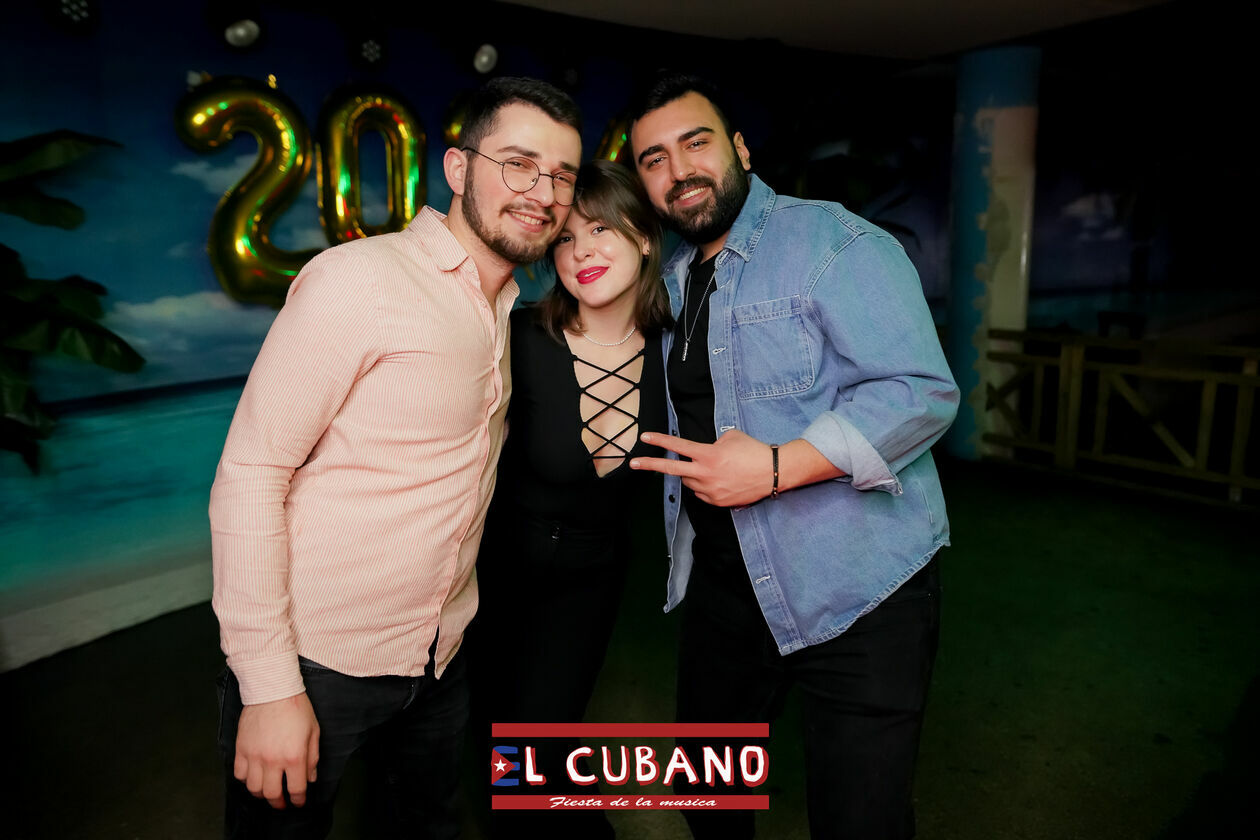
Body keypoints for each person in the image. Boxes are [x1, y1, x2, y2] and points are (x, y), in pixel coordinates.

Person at [208, 76, 582, 839]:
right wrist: (269, 687)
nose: (543, 193)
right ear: (458, 168)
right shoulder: (361, 280)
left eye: (562, 176)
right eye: (518, 164)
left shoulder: (504, 311)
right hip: (318, 664)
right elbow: (252, 473)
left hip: (440, 658)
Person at [625, 72, 960, 840]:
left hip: (858, 587)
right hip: (725, 585)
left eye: (696, 143)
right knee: (707, 795)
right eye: (654, 159)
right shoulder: (674, 278)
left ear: (740, 149)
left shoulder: (834, 243)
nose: (679, 170)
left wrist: (777, 467)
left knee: (859, 822)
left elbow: (919, 391)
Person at [469, 159, 672, 839]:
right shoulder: (520, 337)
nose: (580, 250)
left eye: (601, 229)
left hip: (594, 577)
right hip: (498, 571)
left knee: (541, 734)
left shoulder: (678, 352)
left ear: (644, 238)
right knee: (503, 744)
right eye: (564, 237)